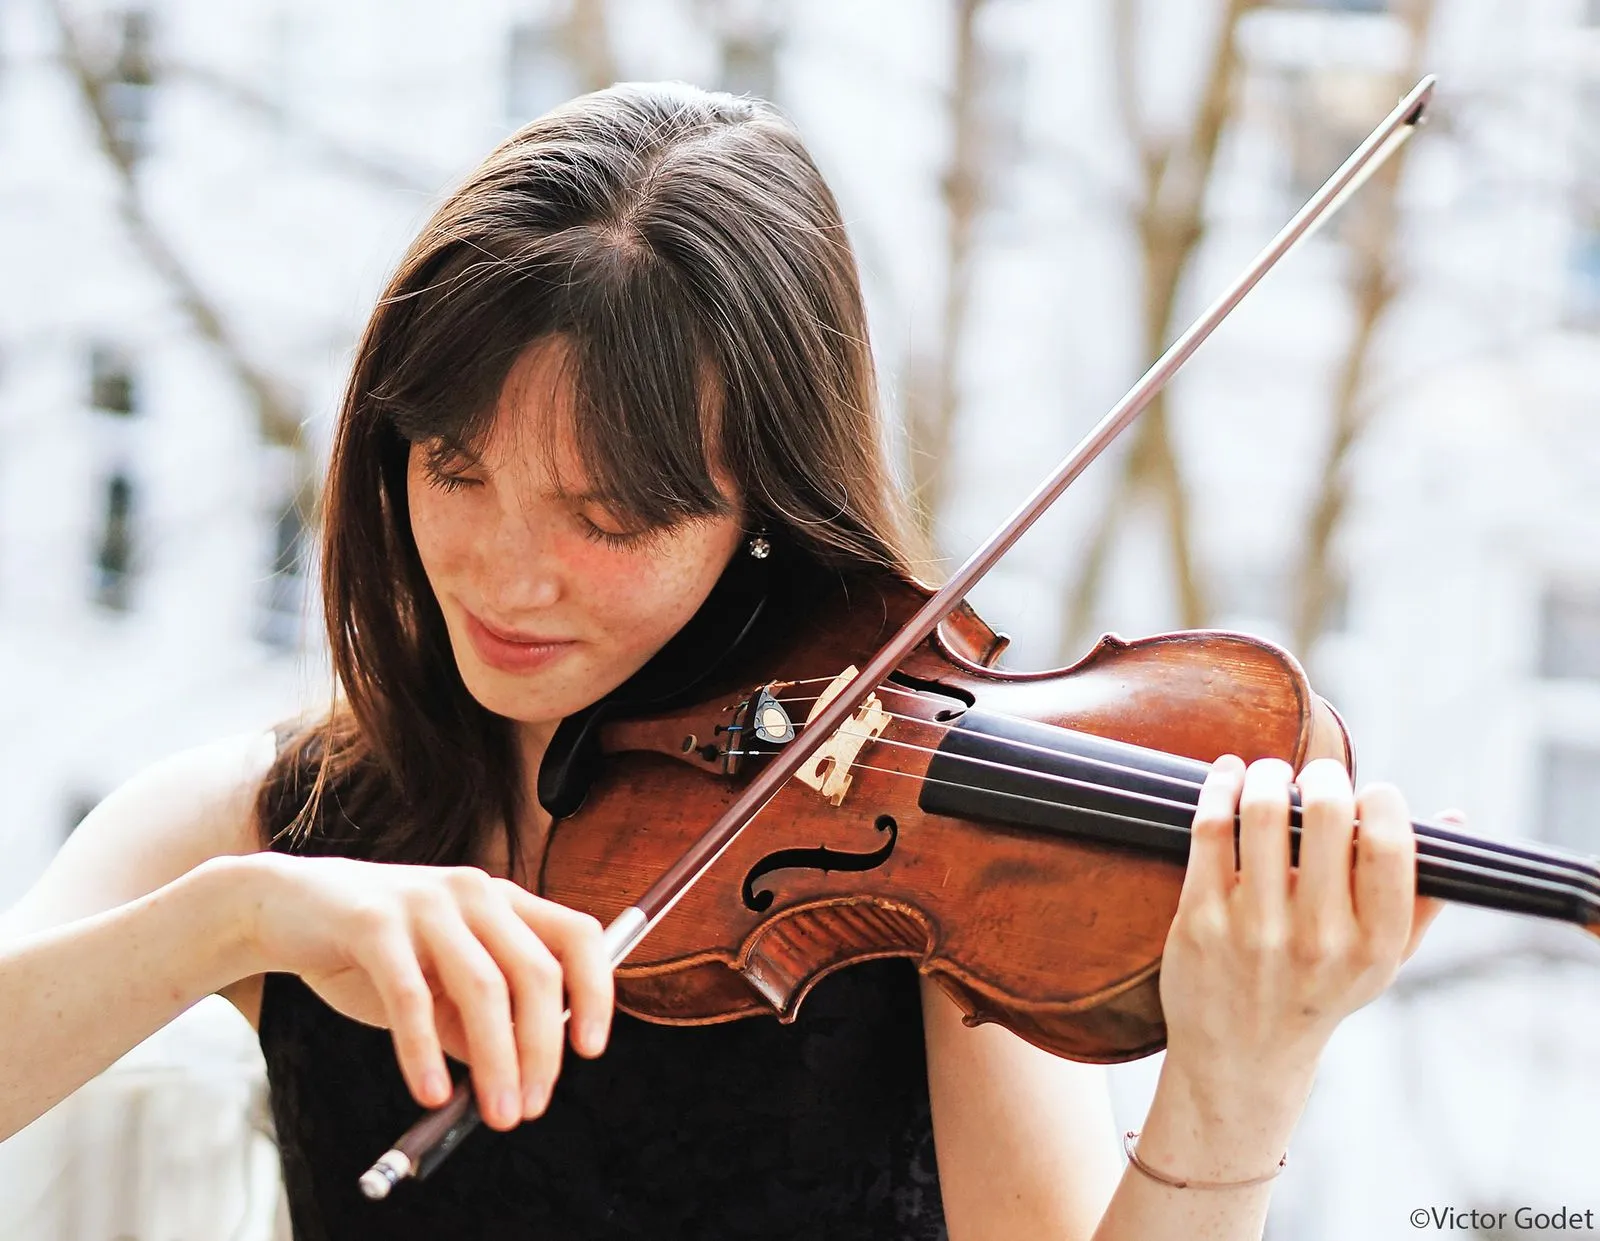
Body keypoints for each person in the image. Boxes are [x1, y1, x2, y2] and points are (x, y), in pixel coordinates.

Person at [0, 81, 1453, 1241]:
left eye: (612, 514)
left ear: (765, 512)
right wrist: (232, 923)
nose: (508, 575)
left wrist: (1239, 1079)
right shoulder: (285, 827)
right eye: (455, 467)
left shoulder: (909, 882)